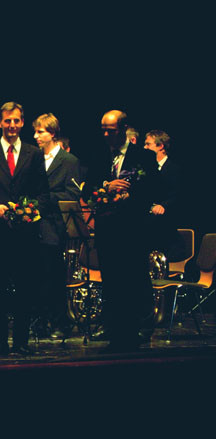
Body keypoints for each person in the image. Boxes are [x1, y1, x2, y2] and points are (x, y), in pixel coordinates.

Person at [0, 101, 50, 356]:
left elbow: (43, 193)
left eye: (16, 121)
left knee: (26, 289)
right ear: (0, 123)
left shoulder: (33, 153)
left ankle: (21, 342)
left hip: (25, 233)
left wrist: (30, 210)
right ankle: (0, 342)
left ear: (22, 122)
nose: (12, 125)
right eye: (7, 121)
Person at [83, 110, 157, 352]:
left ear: (124, 129)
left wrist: (128, 195)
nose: (106, 135)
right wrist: (107, 186)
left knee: (132, 281)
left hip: (132, 231)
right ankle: (114, 331)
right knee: (111, 282)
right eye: (103, 130)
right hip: (107, 231)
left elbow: (152, 189)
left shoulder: (143, 156)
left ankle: (133, 332)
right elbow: (87, 189)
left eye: (111, 130)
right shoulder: (99, 155)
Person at [32, 113, 82, 339]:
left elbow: (72, 193)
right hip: (34, 224)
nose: (36, 136)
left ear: (52, 133)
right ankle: (41, 321)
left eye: (40, 132)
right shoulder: (34, 158)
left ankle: (60, 321)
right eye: (35, 132)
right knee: (36, 276)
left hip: (54, 225)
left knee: (53, 275)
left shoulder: (68, 161)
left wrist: (43, 199)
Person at [143, 129, 184, 261]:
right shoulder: (146, 169)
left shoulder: (174, 169)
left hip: (165, 225)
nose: (145, 147)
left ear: (160, 146)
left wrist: (163, 205)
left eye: (148, 144)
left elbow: (178, 194)